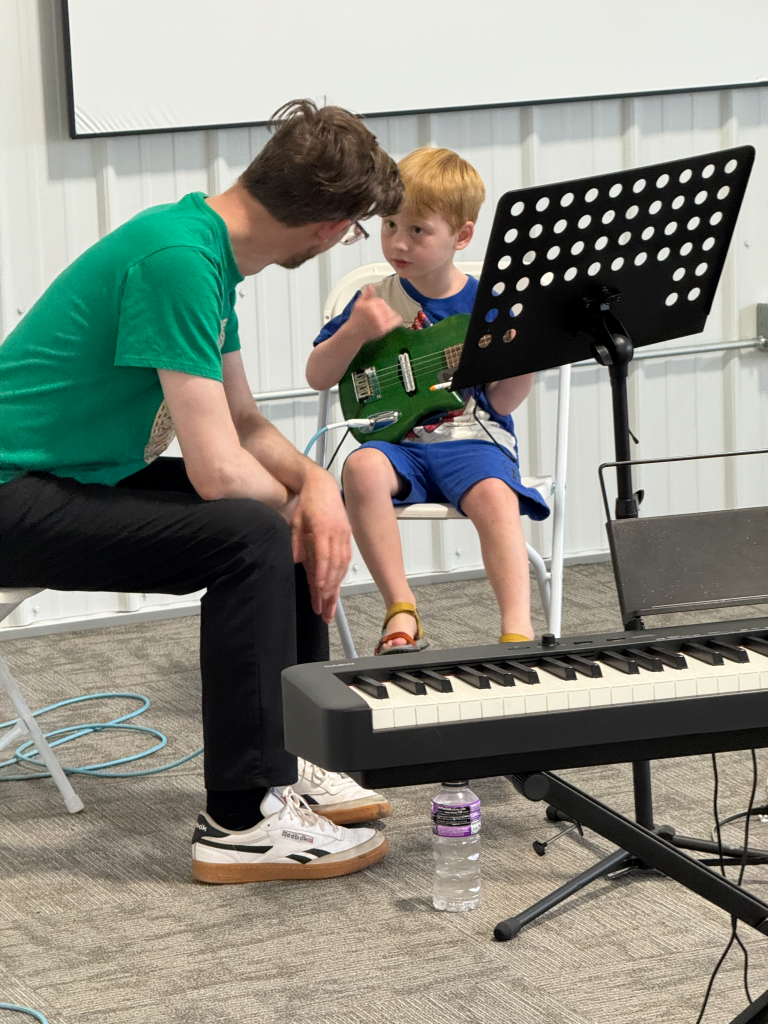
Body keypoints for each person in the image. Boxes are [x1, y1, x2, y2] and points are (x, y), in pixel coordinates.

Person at [0, 100, 404, 884]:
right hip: (10, 495)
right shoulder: (179, 261)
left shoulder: (204, 250)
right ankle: (241, 821)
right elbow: (216, 471)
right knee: (254, 531)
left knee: (282, 514)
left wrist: (314, 484)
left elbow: (243, 420)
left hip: (65, 477)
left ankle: (292, 754)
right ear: (330, 228)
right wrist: (300, 506)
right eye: (355, 230)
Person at [306, 147, 550, 654]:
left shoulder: (489, 307)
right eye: (390, 225)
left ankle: (517, 629)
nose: (399, 241)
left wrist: (523, 358)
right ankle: (401, 607)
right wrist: (354, 331)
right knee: (360, 467)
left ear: (461, 236)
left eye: (418, 230)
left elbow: (503, 404)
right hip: (398, 442)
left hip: (471, 441)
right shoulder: (374, 299)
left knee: (495, 495)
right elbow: (318, 376)